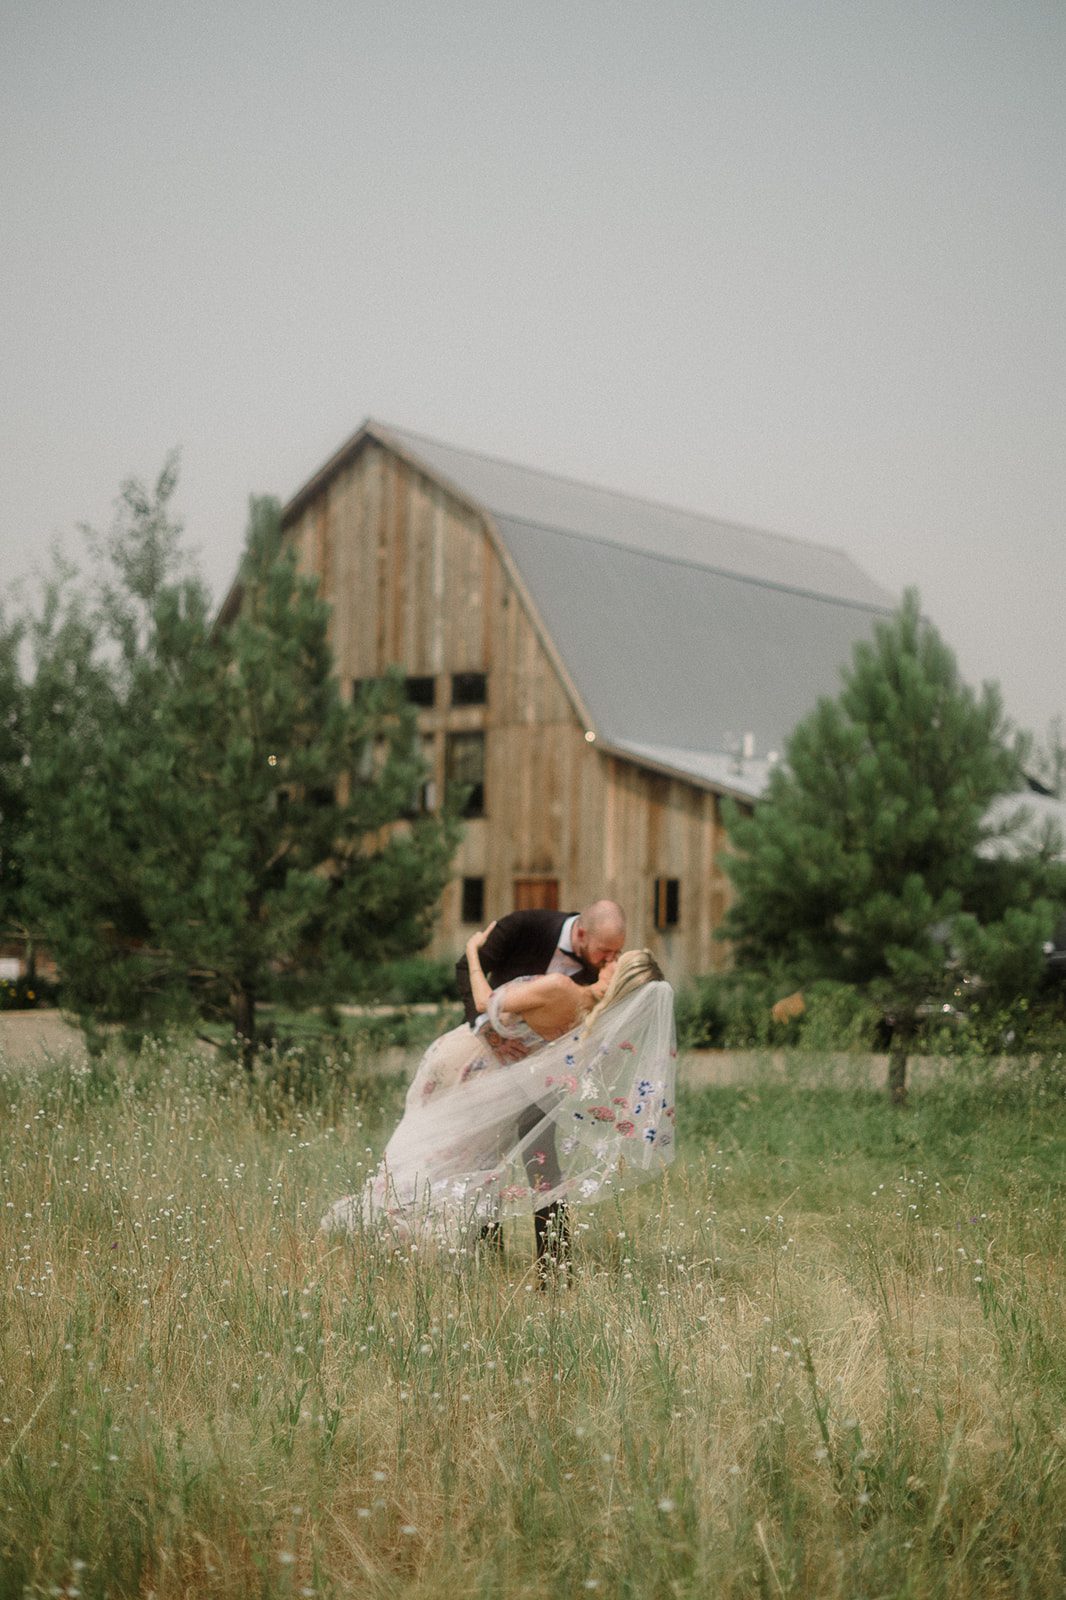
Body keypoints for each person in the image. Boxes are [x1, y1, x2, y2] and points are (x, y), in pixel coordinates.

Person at [320, 939, 676, 1280]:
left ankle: (378, 1231)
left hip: (476, 1068)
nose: (608, 960)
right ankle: (400, 1237)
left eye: (617, 961)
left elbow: (485, 1003)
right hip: (494, 1085)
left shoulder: (565, 991)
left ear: (620, 980)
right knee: (450, 1160)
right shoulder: (596, 1027)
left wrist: (472, 952)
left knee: (433, 1153)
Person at [454, 899, 626, 1265]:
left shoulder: (600, 970)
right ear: (582, 934)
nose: (610, 960)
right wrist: (487, 1031)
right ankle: (490, 1254)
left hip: (544, 1074)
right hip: (494, 1059)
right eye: (605, 952)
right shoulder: (525, 925)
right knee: (486, 1157)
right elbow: (468, 968)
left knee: (543, 1159)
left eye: (617, 953)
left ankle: (554, 1263)